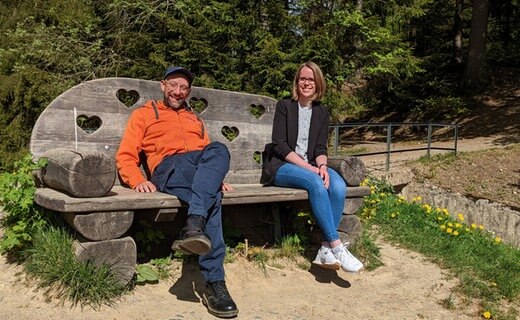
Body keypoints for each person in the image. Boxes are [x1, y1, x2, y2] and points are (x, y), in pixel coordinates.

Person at [116, 66, 238, 318]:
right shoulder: (144, 114)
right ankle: (215, 283)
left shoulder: (195, 118)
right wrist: (137, 179)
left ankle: (194, 224)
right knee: (211, 196)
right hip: (168, 169)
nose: (178, 91)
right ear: (163, 85)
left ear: (189, 92)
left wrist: (215, 178)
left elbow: (209, 156)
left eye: (184, 88)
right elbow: (126, 155)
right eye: (173, 85)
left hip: (196, 173)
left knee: (220, 149)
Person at [260, 61, 364, 273]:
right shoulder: (285, 106)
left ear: (318, 83)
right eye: (302, 79)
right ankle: (336, 245)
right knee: (316, 183)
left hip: (311, 167)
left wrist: (323, 166)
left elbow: (319, 146)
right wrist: (311, 169)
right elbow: (279, 144)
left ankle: (324, 249)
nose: (306, 83)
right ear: (297, 82)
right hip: (282, 166)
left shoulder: (321, 111)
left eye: (311, 79)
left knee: (337, 185)